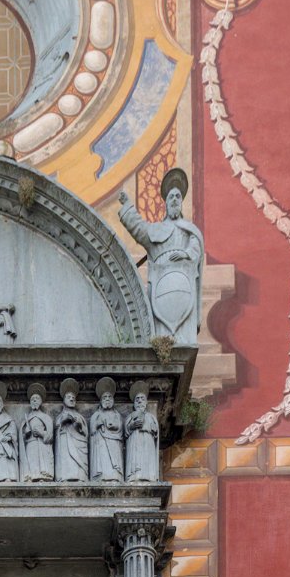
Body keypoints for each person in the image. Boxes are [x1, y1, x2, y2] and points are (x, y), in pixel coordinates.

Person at [117, 168, 203, 346]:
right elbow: (139, 229)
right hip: (160, 288)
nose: (174, 200)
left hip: (182, 288)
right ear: (165, 202)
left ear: (181, 202)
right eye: (171, 196)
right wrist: (127, 206)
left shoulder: (190, 230)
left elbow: (196, 249)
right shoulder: (157, 230)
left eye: (177, 196)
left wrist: (185, 254)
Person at [89, 377, 124, 484]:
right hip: (100, 443)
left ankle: (114, 476)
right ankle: (101, 476)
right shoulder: (96, 414)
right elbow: (92, 431)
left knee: (113, 464)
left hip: (114, 442)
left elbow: (120, 427)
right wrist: (98, 424)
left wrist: (112, 426)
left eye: (109, 397)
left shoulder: (116, 414)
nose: (107, 399)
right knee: (103, 458)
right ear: (101, 401)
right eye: (104, 397)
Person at [124, 385, 160, 483]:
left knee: (146, 459)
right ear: (134, 403)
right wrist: (132, 425)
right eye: (137, 399)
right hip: (134, 441)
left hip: (147, 441)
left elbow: (156, 432)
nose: (139, 401)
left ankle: (149, 476)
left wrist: (148, 426)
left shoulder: (151, 417)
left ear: (146, 402)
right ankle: (133, 476)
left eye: (142, 399)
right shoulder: (130, 416)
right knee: (135, 461)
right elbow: (126, 431)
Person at [55, 379, 87, 482]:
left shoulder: (80, 417)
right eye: (69, 397)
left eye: (73, 398)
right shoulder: (60, 416)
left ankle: (81, 476)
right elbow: (57, 430)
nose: (72, 399)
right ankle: (65, 476)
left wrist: (79, 425)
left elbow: (86, 433)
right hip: (65, 445)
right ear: (64, 400)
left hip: (78, 445)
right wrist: (63, 422)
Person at [20, 386, 54, 484]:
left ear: (41, 402)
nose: (35, 400)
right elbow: (21, 440)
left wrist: (41, 433)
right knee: (32, 466)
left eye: (37, 398)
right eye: (32, 399)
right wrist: (25, 433)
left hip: (42, 446)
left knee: (41, 469)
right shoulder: (26, 419)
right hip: (30, 445)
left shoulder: (46, 417)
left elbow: (50, 436)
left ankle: (43, 477)